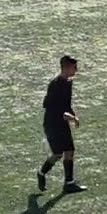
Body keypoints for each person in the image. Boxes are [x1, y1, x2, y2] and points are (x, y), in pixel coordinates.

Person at [37, 55, 87, 193]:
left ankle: (68, 183)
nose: (76, 70)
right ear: (66, 67)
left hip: (62, 123)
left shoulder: (68, 83)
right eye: (74, 67)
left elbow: (66, 105)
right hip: (53, 124)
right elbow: (55, 109)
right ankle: (41, 173)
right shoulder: (55, 85)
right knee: (58, 154)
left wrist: (73, 114)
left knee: (69, 150)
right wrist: (72, 118)